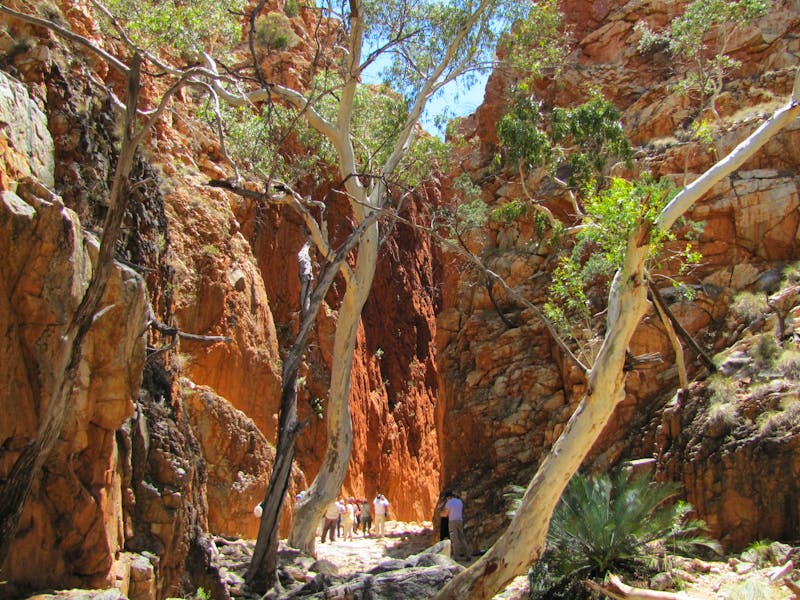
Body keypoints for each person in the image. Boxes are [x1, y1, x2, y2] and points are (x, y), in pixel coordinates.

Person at [442, 491, 469, 561]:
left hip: (452, 522)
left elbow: (445, 514)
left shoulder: (448, 503)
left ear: (448, 497)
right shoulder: (459, 501)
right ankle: (467, 555)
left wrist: (440, 514)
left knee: (454, 539)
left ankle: (456, 557)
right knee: (462, 538)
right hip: (460, 521)